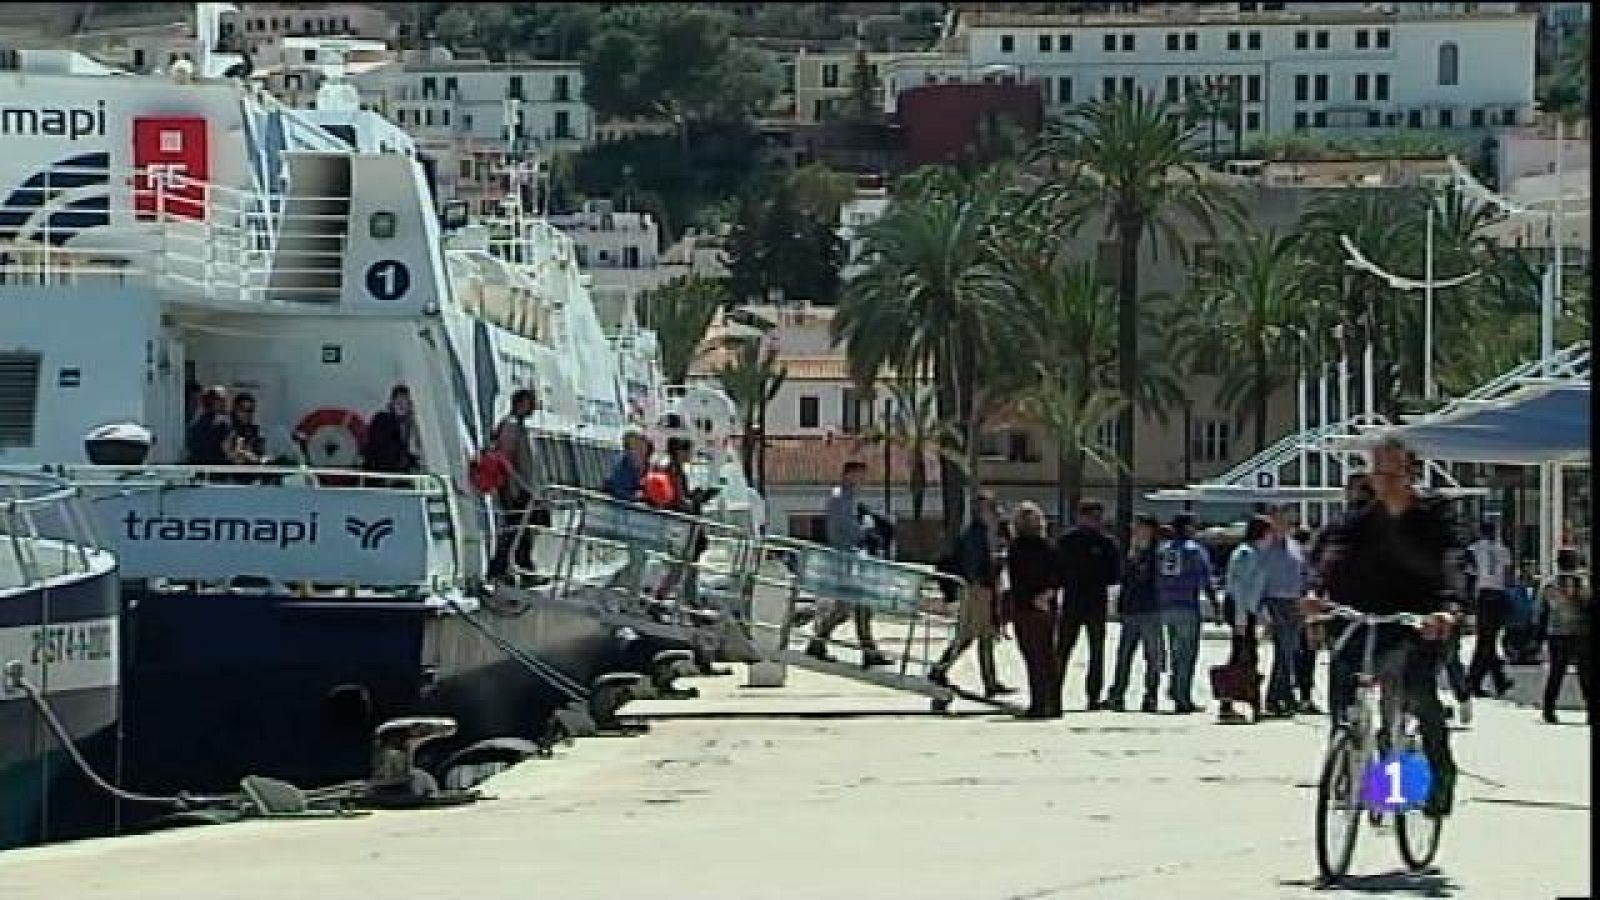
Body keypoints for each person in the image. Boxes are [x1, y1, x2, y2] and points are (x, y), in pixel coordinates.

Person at [1308, 433, 1462, 818]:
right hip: (1366, 618)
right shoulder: (1358, 521)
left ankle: (1438, 776)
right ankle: (1346, 761)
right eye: (1378, 471)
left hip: (1421, 620)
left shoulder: (1434, 516)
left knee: (1417, 694)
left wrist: (1447, 610)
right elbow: (1330, 559)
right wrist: (1316, 595)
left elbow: (1454, 562)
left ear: (1410, 471)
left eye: (1393, 470)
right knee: (1343, 684)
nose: (1386, 478)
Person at [807, 461, 892, 667]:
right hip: (846, 558)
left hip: (853, 557)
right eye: (859, 476)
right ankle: (865, 651)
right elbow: (844, 528)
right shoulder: (839, 499)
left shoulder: (849, 499)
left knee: (850, 607)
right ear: (848, 475)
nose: (862, 481)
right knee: (853, 606)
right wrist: (867, 531)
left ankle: (821, 644)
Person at [928, 490, 1012, 696]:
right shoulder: (975, 534)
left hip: (984, 588)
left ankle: (990, 682)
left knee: (986, 636)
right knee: (968, 635)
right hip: (977, 590)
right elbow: (974, 564)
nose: (993, 512)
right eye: (989, 507)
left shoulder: (985, 533)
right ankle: (939, 669)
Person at [1054, 499, 1121, 711]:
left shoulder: (1107, 543)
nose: (1096, 522)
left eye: (1098, 517)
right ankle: (1053, 692)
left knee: (1096, 651)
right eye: (1093, 517)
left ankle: (1093, 696)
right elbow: (1056, 570)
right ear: (1081, 517)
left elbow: (1114, 574)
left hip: (1094, 602)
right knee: (1063, 649)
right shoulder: (1067, 541)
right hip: (1074, 600)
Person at [1005, 502, 1061, 719]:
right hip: (1046, 605)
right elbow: (1059, 574)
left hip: (1026, 607)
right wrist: (1048, 593)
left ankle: (1039, 704)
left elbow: (1017, 579)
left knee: (1033, 657)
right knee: (1048, 656)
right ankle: (1053, 704)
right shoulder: (1048, 547)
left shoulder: (1016, 548)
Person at [1156, 514, 1216, 714]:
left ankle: (1175, 687)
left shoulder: (1163, 550)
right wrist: (1215, 604)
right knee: (1187, 654)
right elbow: (1205, 579)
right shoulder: (1195, 551)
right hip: (1187, 605)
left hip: (1165, 605)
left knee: (1175, 651)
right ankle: (1182, 695)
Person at [1106, 514, 1165, 714]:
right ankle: (1117, 694)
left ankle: (1151, 696)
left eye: (1138, 527)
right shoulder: (1131, 552)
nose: (1134, 530)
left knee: (1152, 656)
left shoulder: (1157, 554)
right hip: (1131, 611)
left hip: (1150, 610)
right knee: (1123, 655)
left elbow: (1150, 579)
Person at [1219, 515, 1272, 723]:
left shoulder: (1256, 554)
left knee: (1247, 656)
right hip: (1239, 609)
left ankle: (1251, 702)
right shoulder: (1246, 554)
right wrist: (1241, 618)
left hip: (1247, 610)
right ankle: (1234, 702)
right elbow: (1239, 588)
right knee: (1243, 657)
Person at [488, 389, 542, 581]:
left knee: (524, 529)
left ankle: (519, 567)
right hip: (515, 489)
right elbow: (505, 457)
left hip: (524, 487)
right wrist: (519, 484)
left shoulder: (520, 426)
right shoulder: (511, 425)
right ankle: (503, 568)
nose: (533, 407)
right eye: (530, 403)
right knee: (516, 529)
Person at [1260, 508, 1310, 718]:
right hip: (1274, 602)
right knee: (1283, 652)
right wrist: (1263, 612)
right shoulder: (1265, 548)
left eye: (1287, 520)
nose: (1285, 524)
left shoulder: (1295, 546)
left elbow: (1303, 574)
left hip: (1295, 603)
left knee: (1290, 652)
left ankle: (1282, 695)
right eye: (1279, 520)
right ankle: (1277, 697)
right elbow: (1260, 580)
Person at [1540, 548, 1592, 724]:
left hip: (1557, 633)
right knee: (1585, 674)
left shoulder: (1549, 584)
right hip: (1580, 633)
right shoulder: (1583, 583)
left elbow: (1542, 610)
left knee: (1556, 672)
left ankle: (1548, 709)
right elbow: (1588, 604)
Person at [1465, 519, 1516, 698]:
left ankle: (1474, 681)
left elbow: (1469, 571)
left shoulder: (1474, 549)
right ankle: (1495, 680)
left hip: (1484, 595)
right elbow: (1509, 577)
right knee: (1489, 639)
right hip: (1499, 596)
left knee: (1485, 641)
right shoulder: (1504, 550)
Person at [364, 385, 421, 474]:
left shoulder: (406, 425)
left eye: (405, 402)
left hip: (395, 472)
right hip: (379, 472)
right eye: (398, 401)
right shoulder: (382, 418)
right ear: (392, 402)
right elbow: (381, 446)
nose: (402, 405)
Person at [185, 385, 233, 466]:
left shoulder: (226, 421)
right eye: (219, 399)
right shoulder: (199, 423)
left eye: (224, 400)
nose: (223, 403)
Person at [604, 431, 651, 503]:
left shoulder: (650, 468)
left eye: (642, 449)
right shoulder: (620, 467)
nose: (640, 452)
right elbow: (617, 491)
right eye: (635, 448)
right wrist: (634, 497)